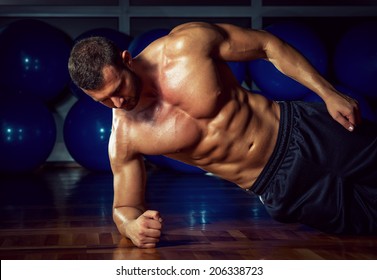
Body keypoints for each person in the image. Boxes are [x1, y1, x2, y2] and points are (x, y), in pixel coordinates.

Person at [68, 22, 377, 248]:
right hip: (280, 187)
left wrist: (327, 92)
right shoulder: (125, 137)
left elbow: (266, 45)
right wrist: (132, 227)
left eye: (118, 88)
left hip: (300, 130)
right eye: (104, 100)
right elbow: (124, 208)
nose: (118, 103)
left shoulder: (187, 44)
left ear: (126, 59)